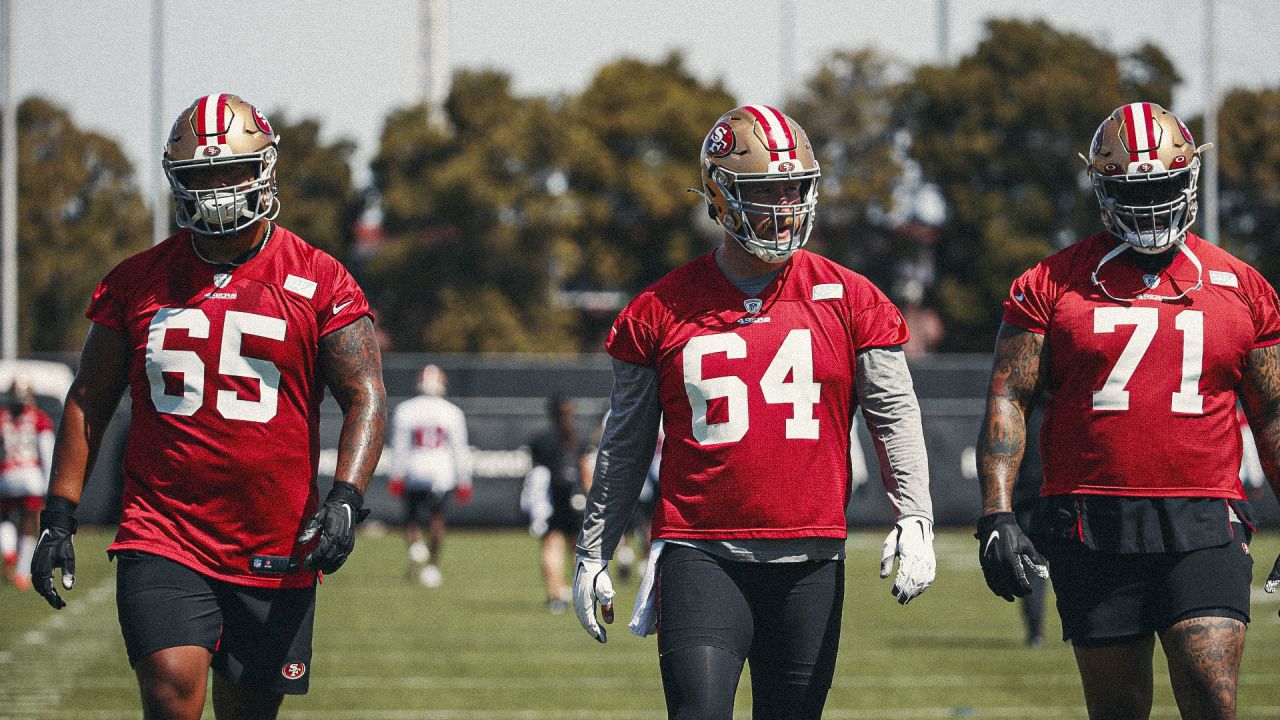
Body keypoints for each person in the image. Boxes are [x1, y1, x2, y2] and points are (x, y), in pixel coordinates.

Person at [29, 93, 386, 720]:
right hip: (163, 530)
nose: (218, 190)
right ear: (177, 180)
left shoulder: (319, 279)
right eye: (202, 175)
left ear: (264, 171)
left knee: (248, 711)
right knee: (170, 690)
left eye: (231, 172)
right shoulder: (136, 281)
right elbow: (90, 397)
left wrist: (345, 499)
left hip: (275, 538)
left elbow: (366, 394)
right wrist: (59, 515)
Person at [573, 104, 936, 720]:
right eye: (768, 191)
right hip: (701, 550)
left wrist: (917, 515)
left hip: (810, 558)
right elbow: (625, 444)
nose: (786, 206)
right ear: (721, 194)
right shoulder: (659, 309)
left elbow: (895, 415)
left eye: (796, 188)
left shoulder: (852, 299)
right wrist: (594, 547)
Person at [976, 101, 1280, 720]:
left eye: (1163, 186)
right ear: (1102, 188)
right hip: (1093, 519)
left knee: (1211, 692)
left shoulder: (1242, 286)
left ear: (1188, 179)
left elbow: (1274, 412)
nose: (1148, 205)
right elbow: (1009, 393)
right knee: (1117, 708)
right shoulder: (1050, 284)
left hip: (1204, 516)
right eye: (1130, 190)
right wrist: (997, 514)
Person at [388, 364, 472, 587]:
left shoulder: (405, 410)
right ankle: (432, 567)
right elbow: (459, 448)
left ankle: (416, 545)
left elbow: (399, 446)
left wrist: (396, 474)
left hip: (414, 470)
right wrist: (464, 480)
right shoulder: (452, 412)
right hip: (441, 474)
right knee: (437, 521)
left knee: (411, 519)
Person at [525, 393, 592, 613]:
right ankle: (582, 595)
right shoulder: (579, 437)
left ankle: (555, 597)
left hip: (552, 496)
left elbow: (534, 475)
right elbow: (585, 472)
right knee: (578, 548)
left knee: (552, 544)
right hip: (576, 497)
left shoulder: (540, 440)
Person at [0, 377, 54, 589]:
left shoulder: (3, 418)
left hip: (6, 477)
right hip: (31, 478)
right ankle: (22, 572)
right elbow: (47, 452)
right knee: (29, 525)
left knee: (4, 518)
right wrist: (50, 484)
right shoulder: (39, 419)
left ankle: (10, 553)